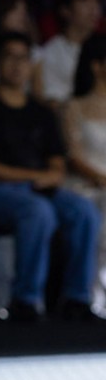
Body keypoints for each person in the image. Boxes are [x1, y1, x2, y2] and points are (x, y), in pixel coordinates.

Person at [0, 31, 101, 323]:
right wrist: (34, 176)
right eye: (10, 57)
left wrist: (50, 177)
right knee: (38, 212)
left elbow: (57, 164)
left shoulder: (41, 112)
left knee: (84, 211)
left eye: (24, 58)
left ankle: (77, 298)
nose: (17, 65)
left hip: (42, 188)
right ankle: (26, 300)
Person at [63, 35, 106, 316]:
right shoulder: (75, 106)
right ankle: (93, 296)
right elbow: (74, 156)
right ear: (97, 65)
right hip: (85, 185)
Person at [40, 0, 101, 108]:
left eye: (96, 1)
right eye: (84, 1)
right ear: (65, 10)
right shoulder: (50, 53)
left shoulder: (101, 47)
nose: (94, 9)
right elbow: (52, 100)